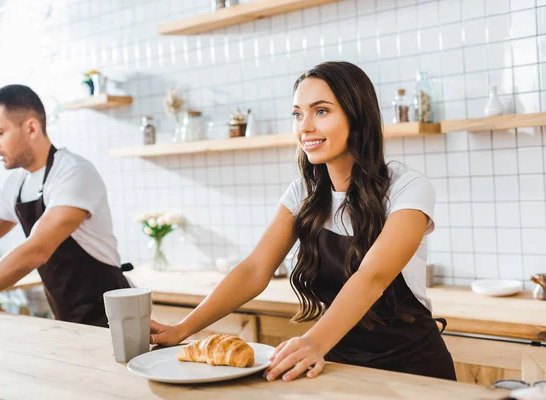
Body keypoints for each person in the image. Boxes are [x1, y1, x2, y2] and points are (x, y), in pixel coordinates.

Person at [148, 62, 456, 381]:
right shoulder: (303, 194)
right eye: (298, 114)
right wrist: (182, 329)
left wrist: (313, 341)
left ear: (357, 115)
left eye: (321, 111)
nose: (304, 127)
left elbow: (372, 278)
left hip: (414, 370)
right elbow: (255, 269)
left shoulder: (407, 188)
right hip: (339, 366)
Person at [0, 84, 130, 326]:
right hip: (68, 321)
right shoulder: (16, 183)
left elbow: (36, 250)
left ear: (31, 127)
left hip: (114, 320)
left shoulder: (74, 173)